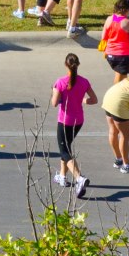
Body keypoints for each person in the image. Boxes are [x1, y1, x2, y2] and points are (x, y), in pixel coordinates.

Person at [50, 53, 97, 199]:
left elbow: (54, 103)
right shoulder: (84, 81)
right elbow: (94, 99)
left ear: (66, 65)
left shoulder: (61, 82)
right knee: (67, 147)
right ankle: (63, 176)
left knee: (64, 150)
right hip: (78, 120)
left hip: (65, 121)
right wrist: (83, 101)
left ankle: (79, 178)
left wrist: (54, 91)